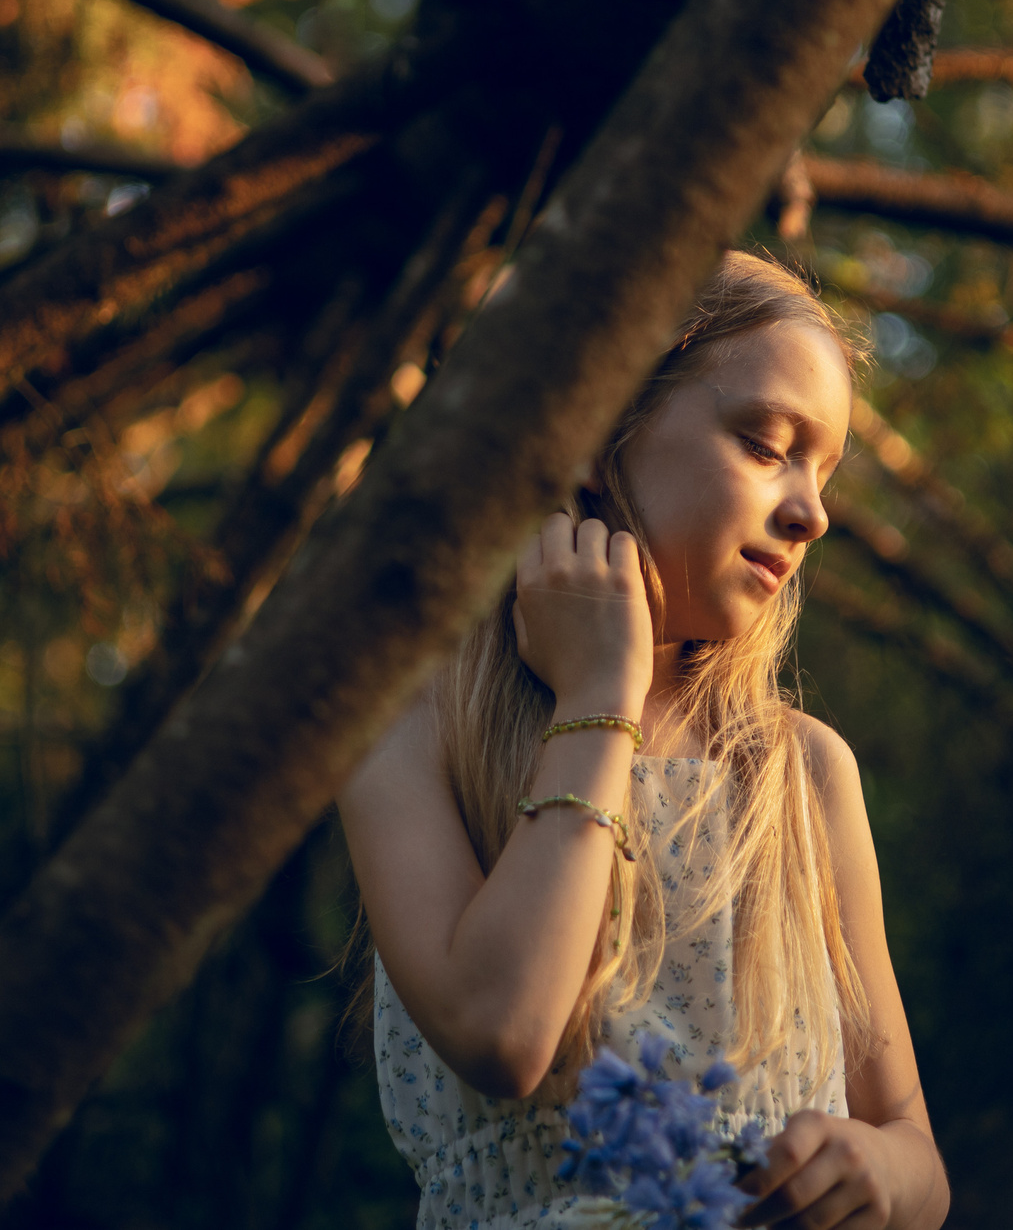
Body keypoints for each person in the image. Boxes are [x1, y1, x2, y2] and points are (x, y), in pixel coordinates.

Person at [341, 250, 951, 1230]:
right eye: (767, 445)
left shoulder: (800, 774)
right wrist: (597, 695)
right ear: (594, 426)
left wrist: (875, 1167)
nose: (813, 513)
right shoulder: (408, 728)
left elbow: (915, 1149)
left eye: (825, 471)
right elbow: (503, 1031)